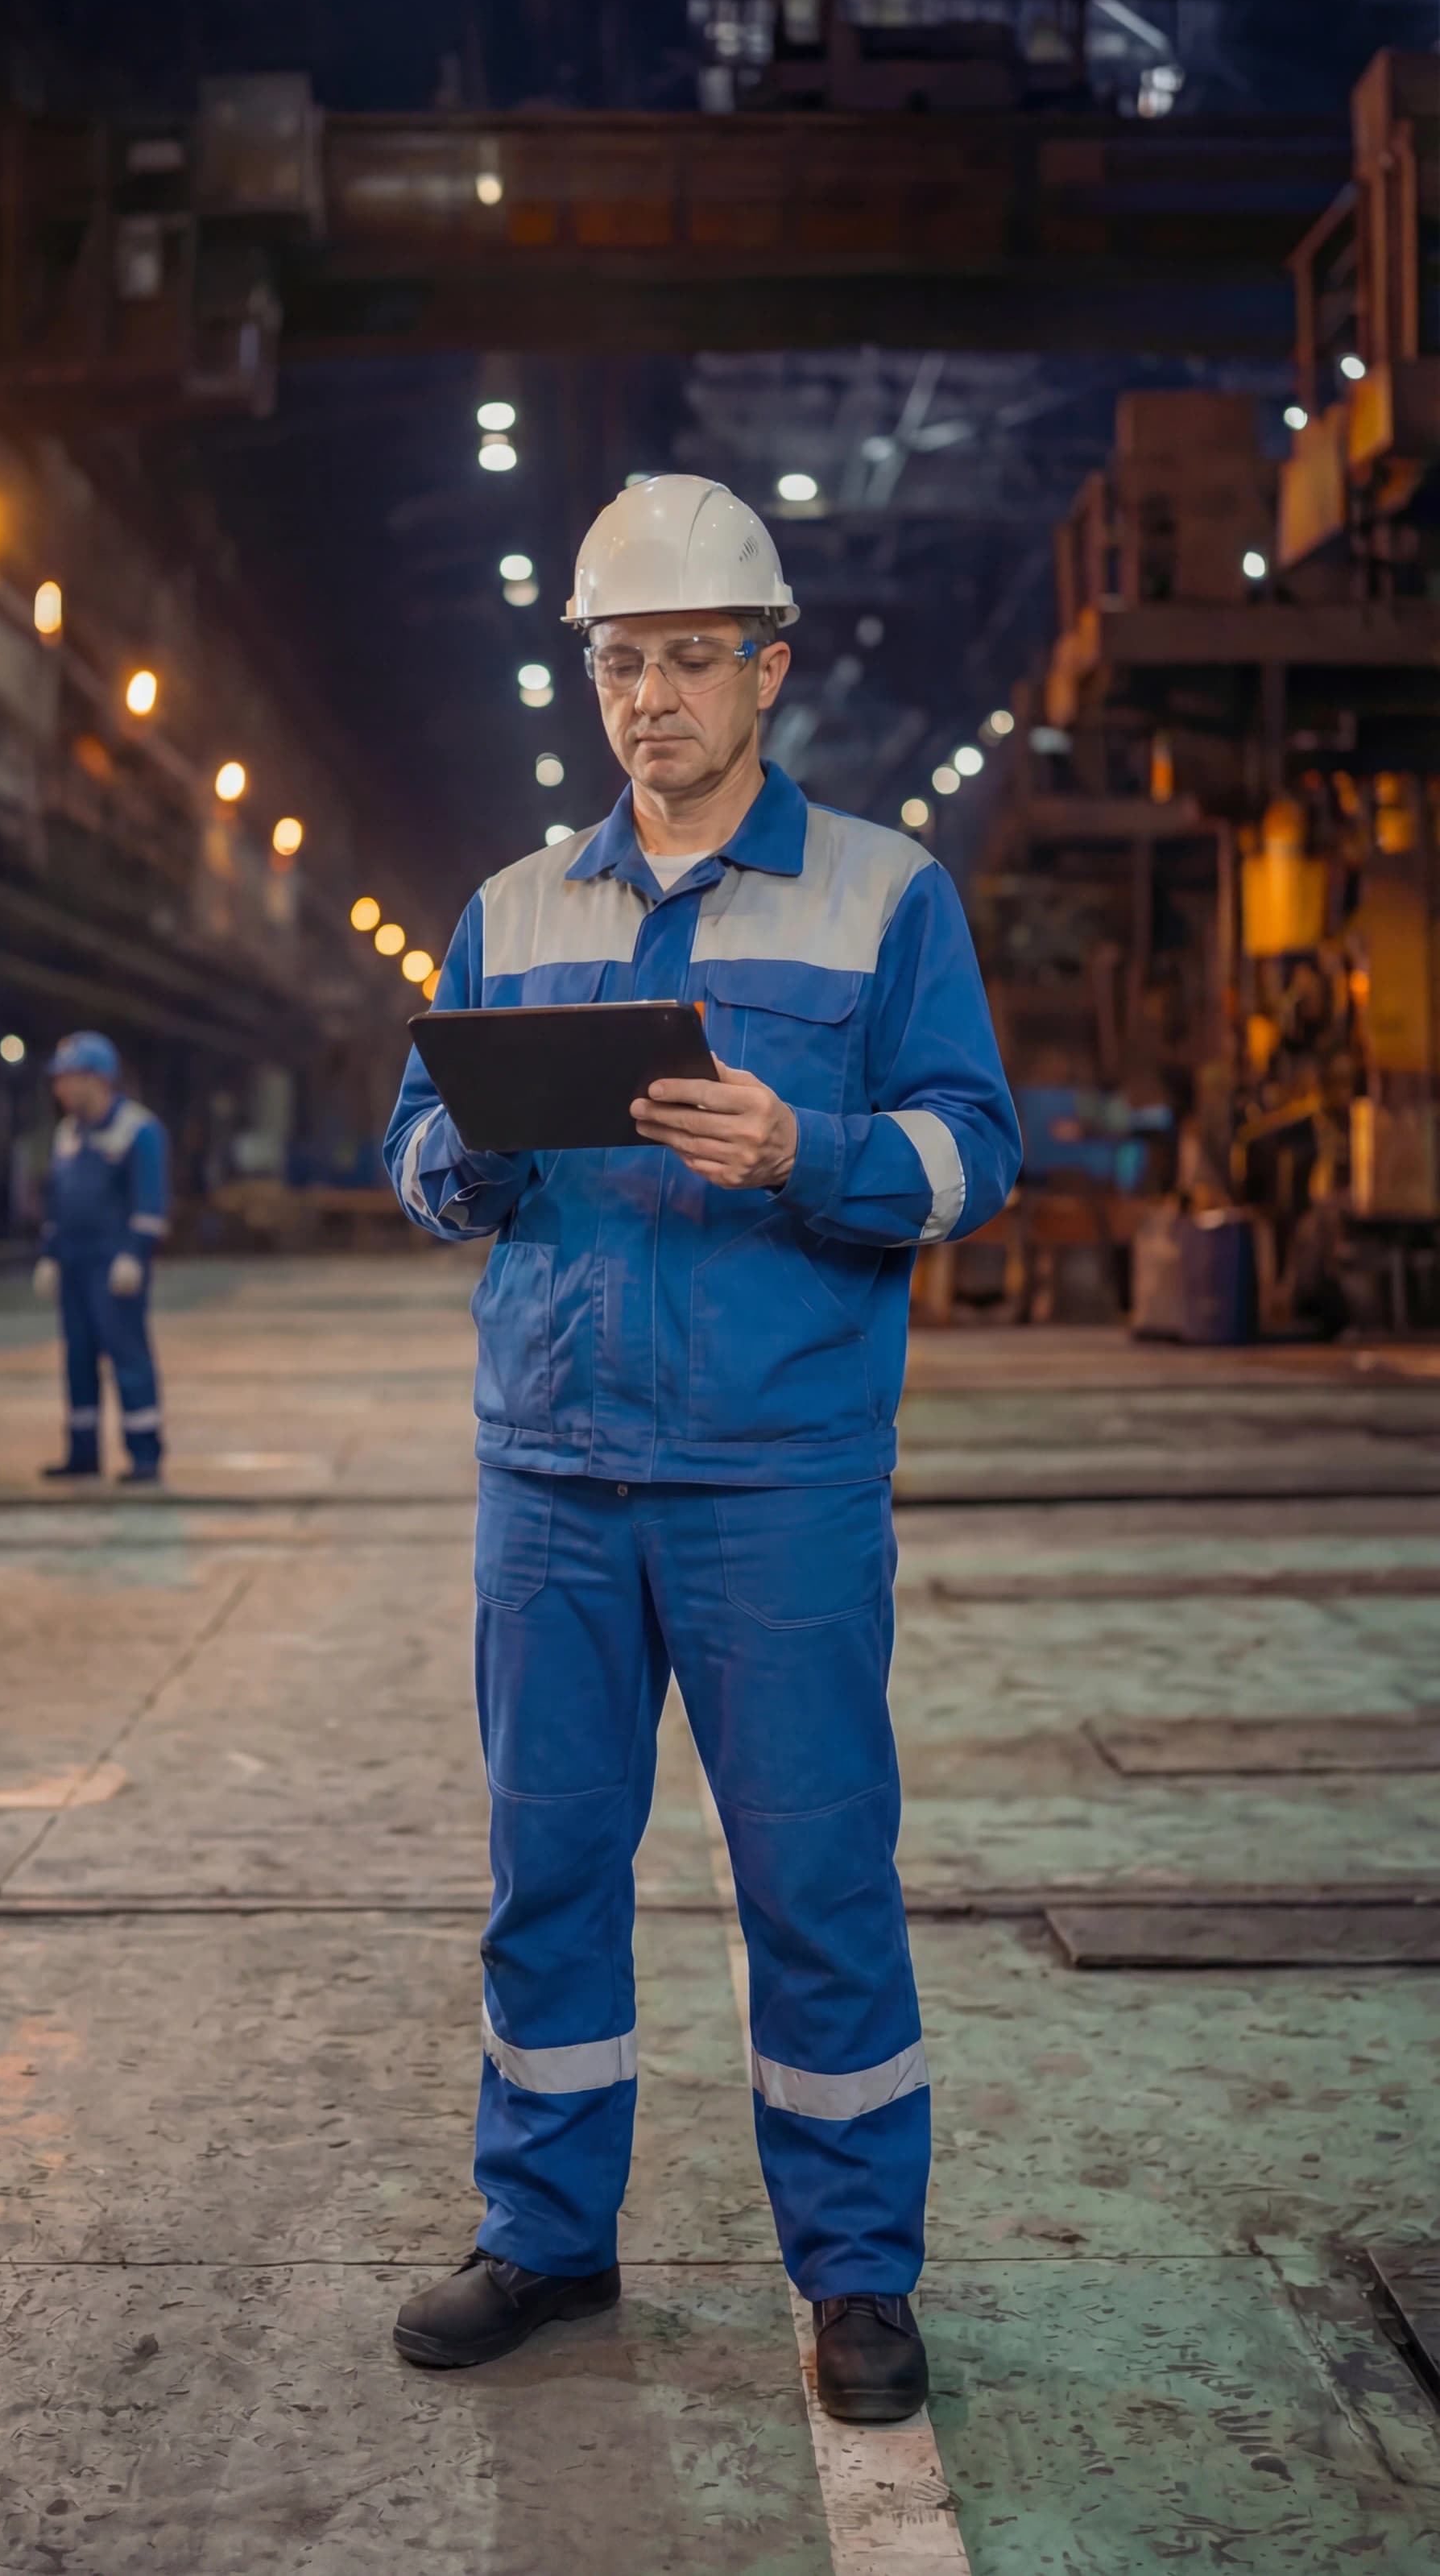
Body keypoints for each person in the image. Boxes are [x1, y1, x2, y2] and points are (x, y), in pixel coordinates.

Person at [384, 474, 1020, 2423]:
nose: (645, 697)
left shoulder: (880, 894)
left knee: (814, 1875)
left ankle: (852, 2275)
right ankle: (545, 2234)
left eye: (680, 658)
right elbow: (412, 1154)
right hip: (553, 1474)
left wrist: (803, 1150)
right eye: (615, 661)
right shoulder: (513, 908)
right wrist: (466, 1154)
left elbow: (971, 1148)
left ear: (768, 664)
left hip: (775, 1478)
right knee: (546, 1868)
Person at [34, 1032, 170, 1482]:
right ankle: (82, 1454)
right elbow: (57, 1199)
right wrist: (50, 1255)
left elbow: (150, 1200)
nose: (60, 1090)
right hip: (74, 1261)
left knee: (127, 1354)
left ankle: (145, 1455)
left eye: (67, 1079)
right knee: (78, 1359)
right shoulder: (67, 1135)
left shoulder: (138, 1130)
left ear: (96, 1080)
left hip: (114, 1265)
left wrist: (135, 1253)